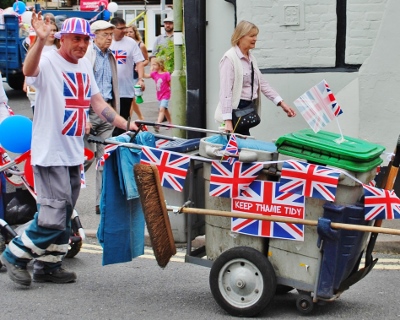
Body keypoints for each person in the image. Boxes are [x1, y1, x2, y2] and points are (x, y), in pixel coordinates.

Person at [0, 13, 139, 287]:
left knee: (64, 214)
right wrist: (40, 41)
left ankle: (48, 265)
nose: (82, 45)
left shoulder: (84, 67)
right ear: (63, 38)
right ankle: (15, 255)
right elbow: (28, 72)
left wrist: (126, 124)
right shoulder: (49, 59)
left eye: (85, 40)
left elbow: (98, 103)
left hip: (73, 152)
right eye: (76, 39)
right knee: (53, 213)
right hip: (50, 152)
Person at [214, 20, 296, 136]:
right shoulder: (229, 58)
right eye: (252, 36)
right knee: (235, 149)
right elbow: (226, 92)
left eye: (256, 35)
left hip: (247, 109)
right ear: (240, 37)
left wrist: (282, 104)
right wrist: (227, 121)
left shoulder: (251, 58)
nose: (255, 39)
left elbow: (262, 84)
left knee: (242, 147)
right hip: (235, 112)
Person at [84, 20, 119, 216]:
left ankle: (101, 202)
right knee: (86, 157)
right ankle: (62, 189)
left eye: (110, 35)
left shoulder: (110, 56)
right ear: (94, 35)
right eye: (105, 34)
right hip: (88, 111)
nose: (109, 38)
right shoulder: (88, 54)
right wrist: (84, 116)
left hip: (106, 111)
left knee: (104, 157)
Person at [110, 17, 145, 135]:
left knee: (123, 120)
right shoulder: (108, 41)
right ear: (113, 29)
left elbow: (139, 62)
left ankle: (121, 145)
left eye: (125, 27)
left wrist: (141, 79)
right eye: (121, 28)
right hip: (109, 90)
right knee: (109, 121)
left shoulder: (130, 43)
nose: (124, 30)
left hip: (125, 89)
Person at [23, 20, 60, 114]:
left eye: (54, 30)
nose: (52, 33)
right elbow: (29, 66)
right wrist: (26, 82)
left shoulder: (59, 48)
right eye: (50, 30)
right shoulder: (36, 48)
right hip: (36, 86)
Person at [126, 25, 149, 120]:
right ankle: (140, 117)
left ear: (135, 32)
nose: (129, 34)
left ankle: (128, 119)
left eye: (131, 32)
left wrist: (140, 65)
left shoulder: (141, 45)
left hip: (136, 75)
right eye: (127, 32)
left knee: (131, 99)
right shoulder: (125, 44)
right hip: (126, 74)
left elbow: (147, 60)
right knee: (131, 99)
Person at [144, 57, 172, 133]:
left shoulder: (166, 74)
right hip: (159, 95)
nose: (153, 67)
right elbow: (146, 76)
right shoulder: (154, 74)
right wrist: (140, 70)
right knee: (165, 110)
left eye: (154, 65)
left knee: (162, 109)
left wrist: (172, 92)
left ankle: (158, 124)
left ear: (160, 65)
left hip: (166, 94)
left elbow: (170, 84)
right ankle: (170, 122)